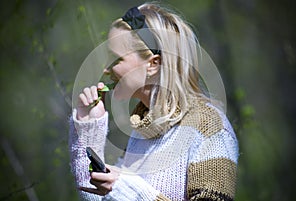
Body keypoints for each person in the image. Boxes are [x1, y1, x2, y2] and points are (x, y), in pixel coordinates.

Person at [69, 2, 239, 201]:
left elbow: (127, 194)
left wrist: (127, 189)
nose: (106, 70)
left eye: (116, 59)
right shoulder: (141, 131)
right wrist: (88, 129)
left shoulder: (209, 127)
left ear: (153, 64)